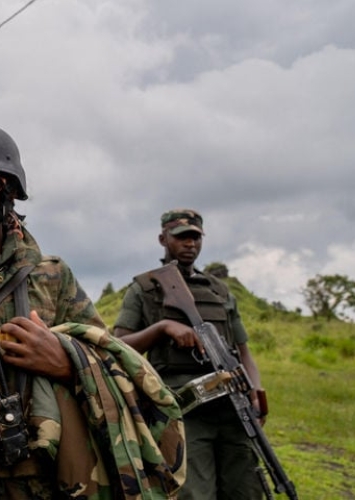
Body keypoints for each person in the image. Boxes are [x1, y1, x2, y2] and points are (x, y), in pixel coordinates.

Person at [0, 123, 185, 499]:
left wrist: (65, 361)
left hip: (31, 477)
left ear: (6, 192)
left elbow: (106, 361)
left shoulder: (51, 276)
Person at [113, 209, 266, 500]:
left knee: (246, 489)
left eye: (195, 238)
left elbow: (243, 351)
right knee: (194, 493)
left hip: (232, 409)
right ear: (163, 239)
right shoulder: (144, 289)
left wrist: (255, 392)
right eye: (181, 237)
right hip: (184, 412)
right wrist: (162, 328)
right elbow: (118, 344)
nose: (190, 244)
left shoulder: (219, 291)